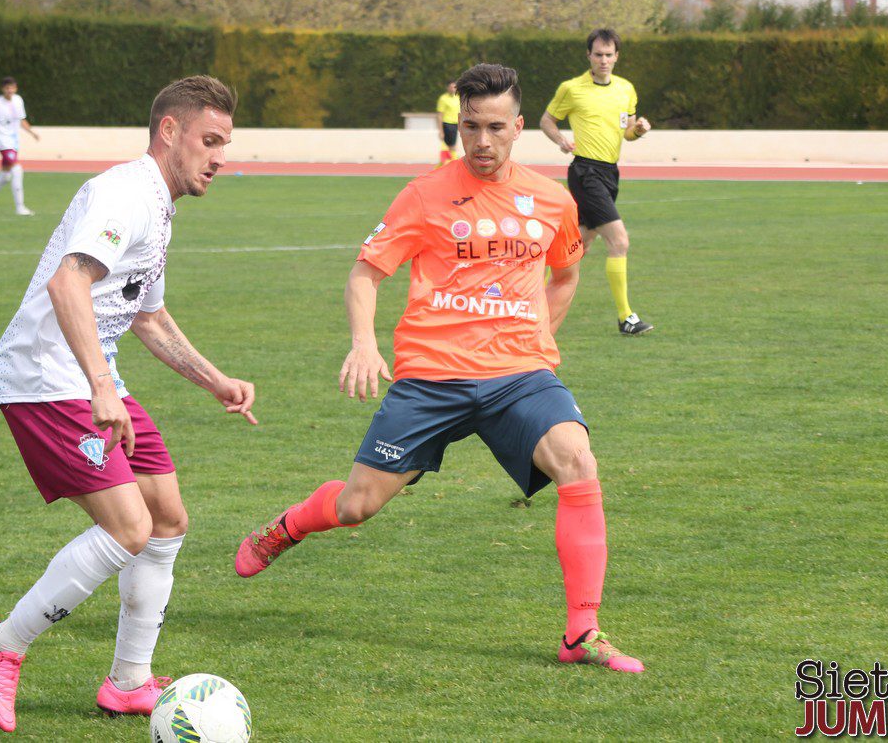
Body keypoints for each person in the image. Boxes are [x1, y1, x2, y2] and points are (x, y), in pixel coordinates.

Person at [235, 63, 644, 675]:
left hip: (519, 375)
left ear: (519, 127)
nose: (481, 141)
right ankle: (288, 526)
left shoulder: (554, 200)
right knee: (356, 506)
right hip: (431, 377)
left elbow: (565, 273)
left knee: (578, 460)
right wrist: (363, 343)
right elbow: (365, 274)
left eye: (495, 128)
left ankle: (581, 631)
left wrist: (538, 338)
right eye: (471, 126)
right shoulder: (424, 194)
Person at [0, 76, 259, 733]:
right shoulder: (124, 194)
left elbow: (147, 316)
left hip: (92, 378)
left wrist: (214, 379)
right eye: (210, 140)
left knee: (167, 519)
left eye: (225, 144)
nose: (220, 157)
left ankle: (128, 681)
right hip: (46, 378)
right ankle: (3, 644)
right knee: (129, 527)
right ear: (169, 131)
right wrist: (102, 386)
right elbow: (67, 282)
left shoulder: (158, 206)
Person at [540, 28, 654, 336]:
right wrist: (561, 140)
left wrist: (639, 130)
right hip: (585, 172)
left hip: (610, 173)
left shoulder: (626, 89)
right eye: (598, 54)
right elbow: (547, 120)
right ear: (588, 55)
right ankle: (626, 317)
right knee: (619, 241)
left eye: (609, 55)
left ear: (617, 56)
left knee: (578, 245)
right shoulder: (572, 88)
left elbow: (628, 131)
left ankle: (531, 300)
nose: (603, 60)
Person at [0, 77, 40, 216]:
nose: (9, 90)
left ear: (15, 88)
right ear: (2, 89)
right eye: (7, 87)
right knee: (17, 169)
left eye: (12, 87)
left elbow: (21, 120)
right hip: (4, 143)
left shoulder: (18, 100)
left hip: (14, 143)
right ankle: (20, 208)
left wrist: (32, 133)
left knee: (5, 176)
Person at [436, 80, 461, 164]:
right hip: (447, 124)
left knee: (451, 146)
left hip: (456, 124)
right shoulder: (443, 98)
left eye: (454, 87)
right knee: (451, 146)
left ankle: (445, 164)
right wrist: (441, 131)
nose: (453, 89)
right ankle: (453, 162)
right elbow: (440, 115)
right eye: (451, 87)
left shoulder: (458, 97)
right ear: (447, 88)